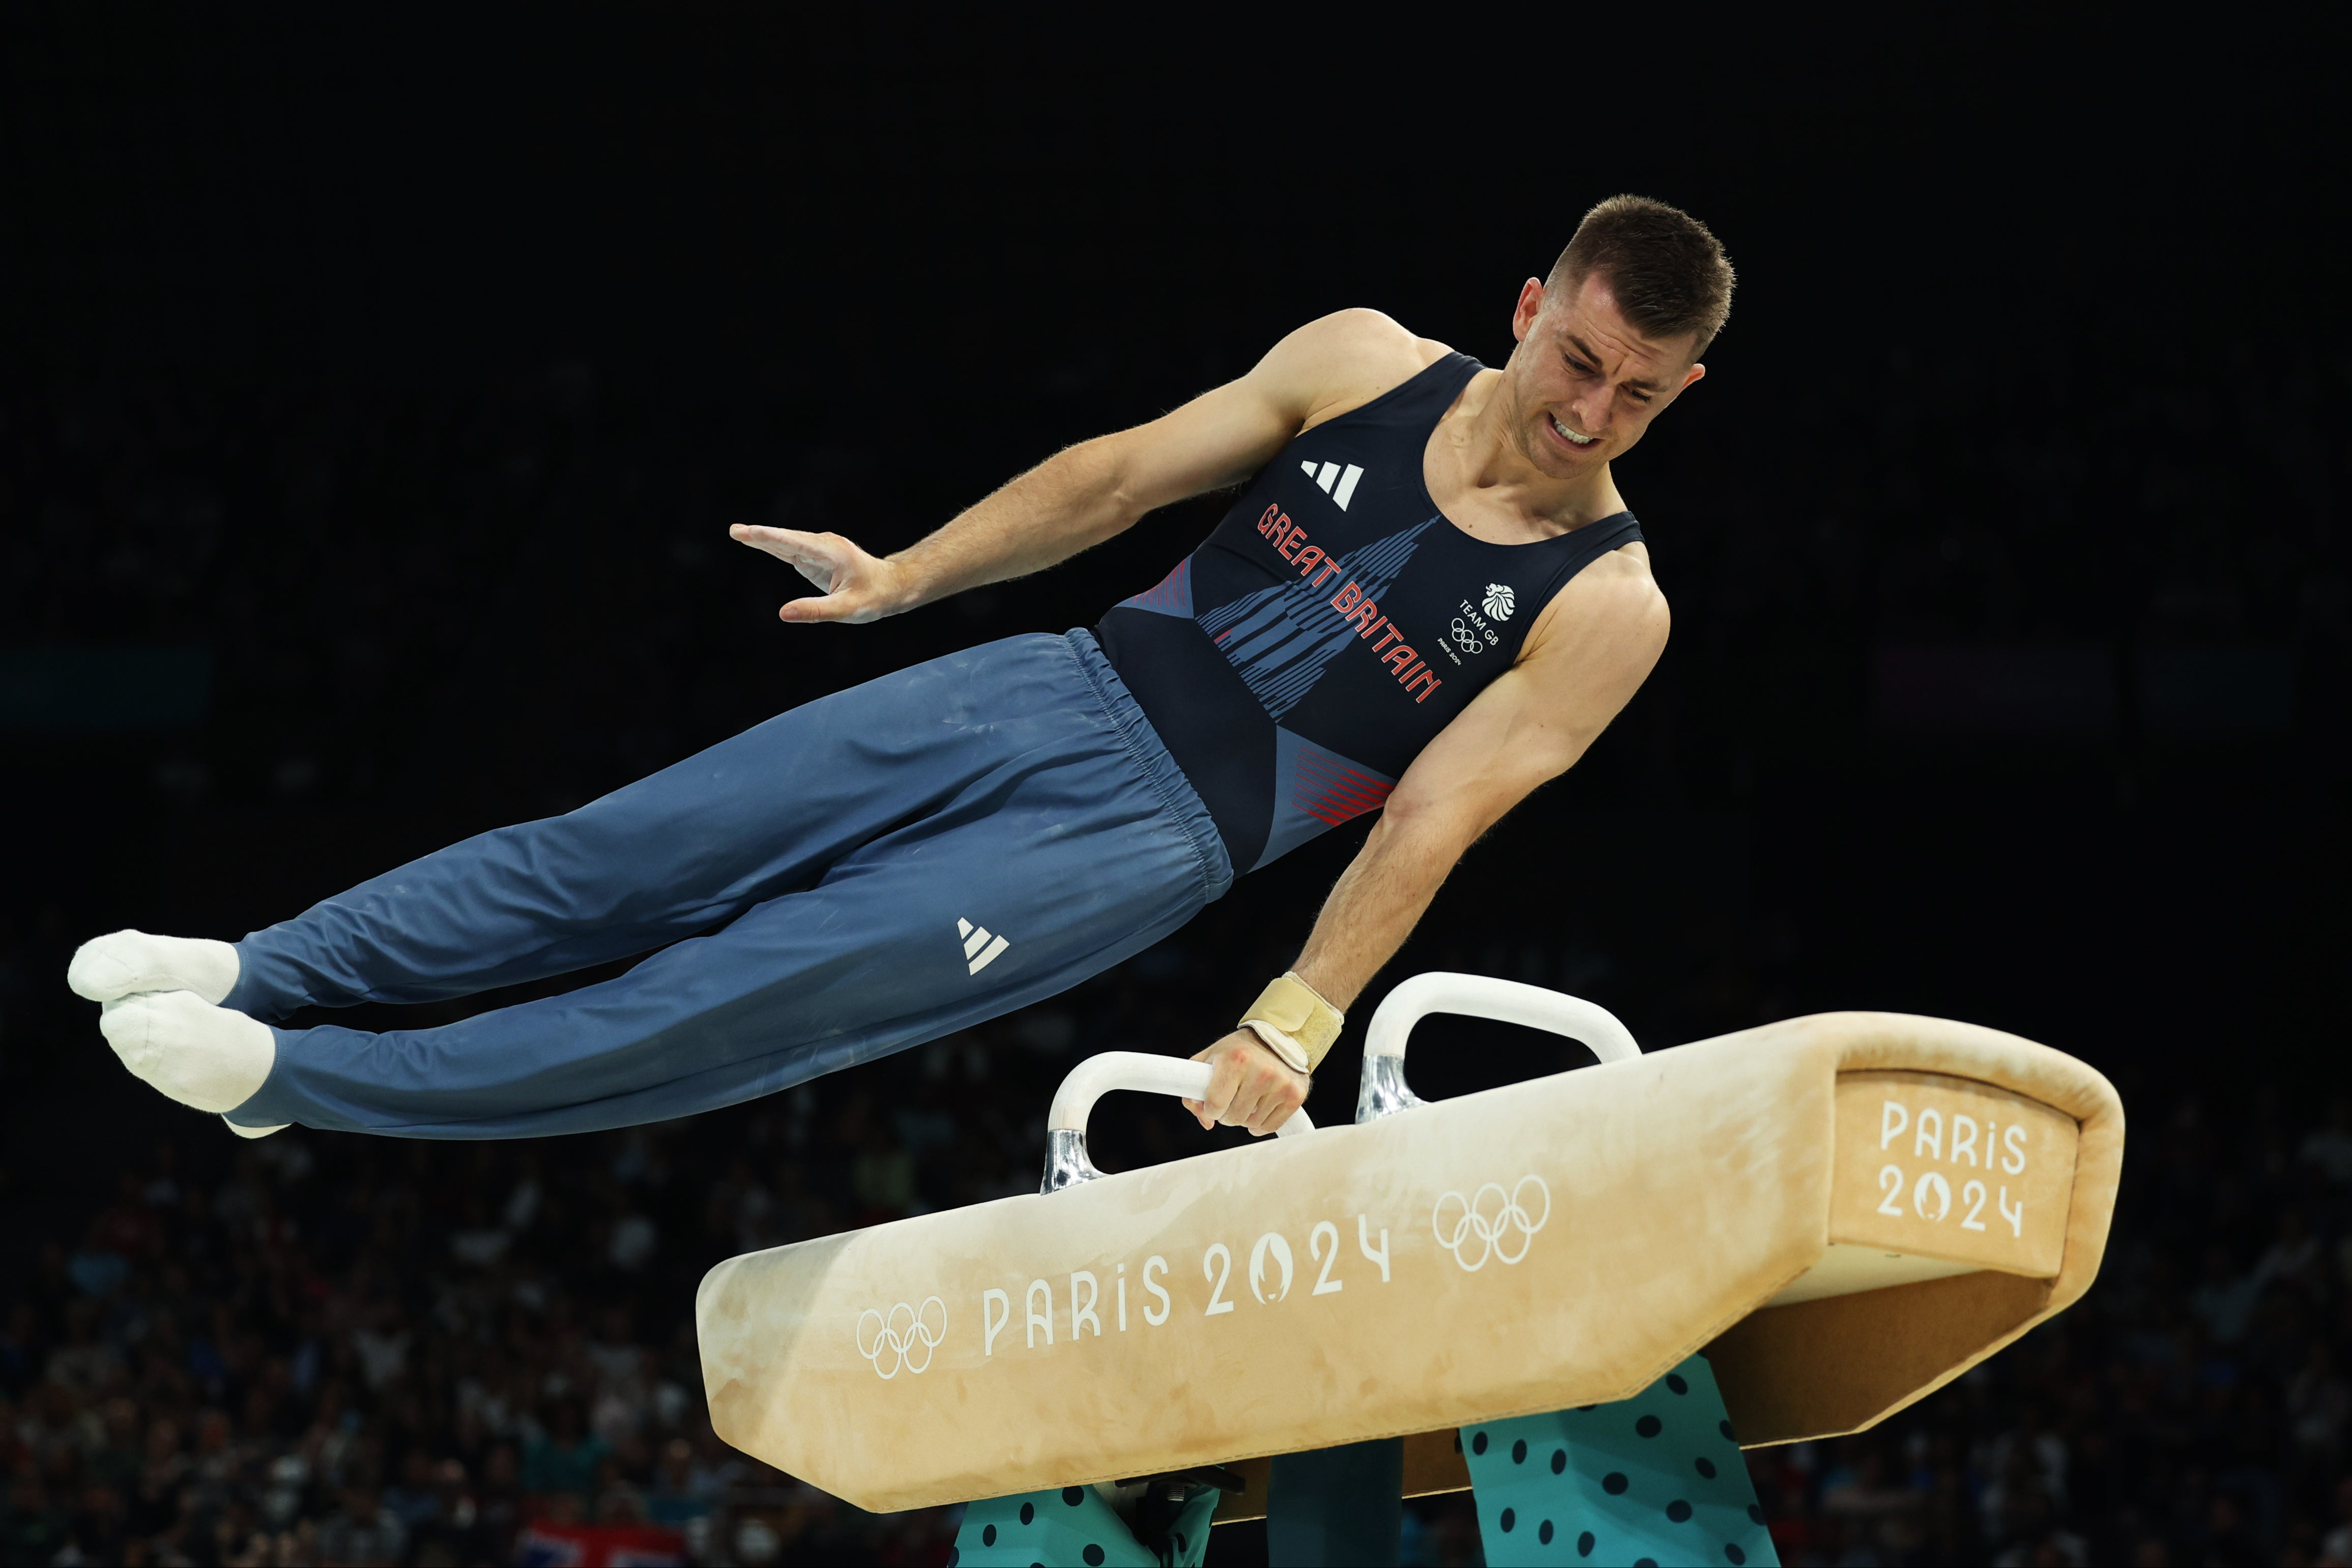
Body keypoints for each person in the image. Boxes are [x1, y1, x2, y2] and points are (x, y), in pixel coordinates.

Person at [71, 194, 1730, 1143]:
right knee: (633, 847)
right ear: (1529, 304)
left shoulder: (1608, 603)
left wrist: (1295, 1025)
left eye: (1638, 395)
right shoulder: (1364, 358)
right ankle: (261, 968)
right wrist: (905, 576)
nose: (1589, 411)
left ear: (1683, 392)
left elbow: (1429, 819)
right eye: (1577, 360)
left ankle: (308, 1079)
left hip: (1140, 847)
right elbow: (1115, 475)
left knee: (738, 985)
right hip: (1044, 684)